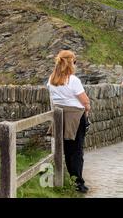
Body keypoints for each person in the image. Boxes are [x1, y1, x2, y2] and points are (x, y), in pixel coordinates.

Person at [47, 50, 90, 193]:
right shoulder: (73, 80)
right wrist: (88, 108)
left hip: (60, 116)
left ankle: (71, 178)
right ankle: (78, 181)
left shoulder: (51, 79)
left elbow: (52, 100)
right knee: (77, 150)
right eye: (75, 61)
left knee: (66, 149)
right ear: (71, 63)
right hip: (75, 117)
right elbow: (84, 100)